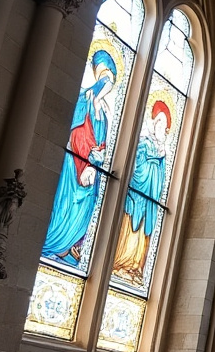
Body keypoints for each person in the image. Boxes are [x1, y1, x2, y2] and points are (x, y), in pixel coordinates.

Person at [41, 49, 117, 265]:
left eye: (110, 80)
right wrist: (86, 162)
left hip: (93, 167)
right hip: (75, 164)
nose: (107, 84)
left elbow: (102, 141)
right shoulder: (84, 99)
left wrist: (97, 160)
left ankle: (73, 246)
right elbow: (75, 131)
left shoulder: (103, 110)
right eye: (104, 78)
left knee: (84, 207)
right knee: (66, 204)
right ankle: (57, 246)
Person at [112, 100, 172, 286]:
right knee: (131, 225)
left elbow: (161, 175)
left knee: (145, 230)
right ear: (153, 123)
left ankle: (136, 267)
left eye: (164, 124)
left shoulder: (162, 151)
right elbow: (136, 164)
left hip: (151, 198)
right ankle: (122, 263)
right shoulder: (145, 143)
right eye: (158, 122)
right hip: (138, 193)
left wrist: (159, 158)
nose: (160, 126)